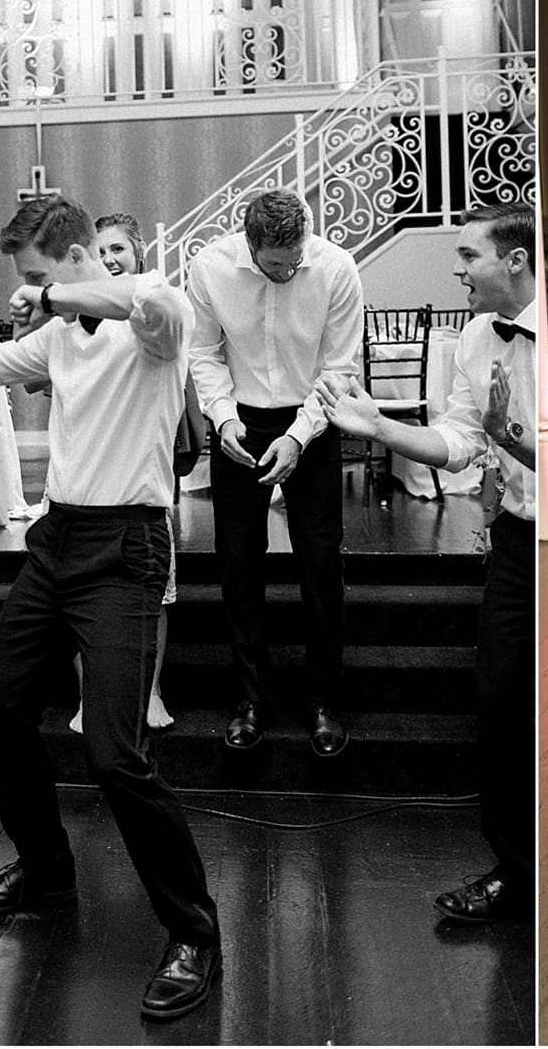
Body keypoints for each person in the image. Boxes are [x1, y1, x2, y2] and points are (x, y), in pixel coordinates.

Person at [0, 194, 222, 1021]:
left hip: (127, 551)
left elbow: (133, 302)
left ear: (79, 256)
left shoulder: (157, 312)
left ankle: (194, 934)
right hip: (57, 542)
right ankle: (45, 874)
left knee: (117, 754)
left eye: (40, 274)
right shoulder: (57, 334)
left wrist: (48, 299)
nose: (32, 290)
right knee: (0, 712)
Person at [316, 204, 538, 924]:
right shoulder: (476, 338)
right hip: (514, 542)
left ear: (514, 261)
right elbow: (460, 441)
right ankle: (513, 870)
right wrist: (381, 425)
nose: (457, 269)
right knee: (498, 702)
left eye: (468, 256)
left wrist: (519, 444)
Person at [188, 190, 363, 756]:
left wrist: (297, 435)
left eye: (295, 260)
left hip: (314, 417)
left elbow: (339, 367)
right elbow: (204, 354)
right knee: (238, 562)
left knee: (320, 561)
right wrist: (221, 418)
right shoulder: (210, 269)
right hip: (239, 420)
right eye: (274, 263)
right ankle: (251, 699)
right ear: (250, 243)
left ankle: (324, 701)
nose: (288, 271)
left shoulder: (335, 268)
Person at [58, 213, 178, 734]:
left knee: (154, 599)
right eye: (99, 251)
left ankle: (149, 691)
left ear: (138, 258)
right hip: (78, 475)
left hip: (136, 483)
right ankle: (89, 696)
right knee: (77, 600)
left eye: (118, 251)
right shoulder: (68, 324)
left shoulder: (152, 314)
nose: (108, 260)